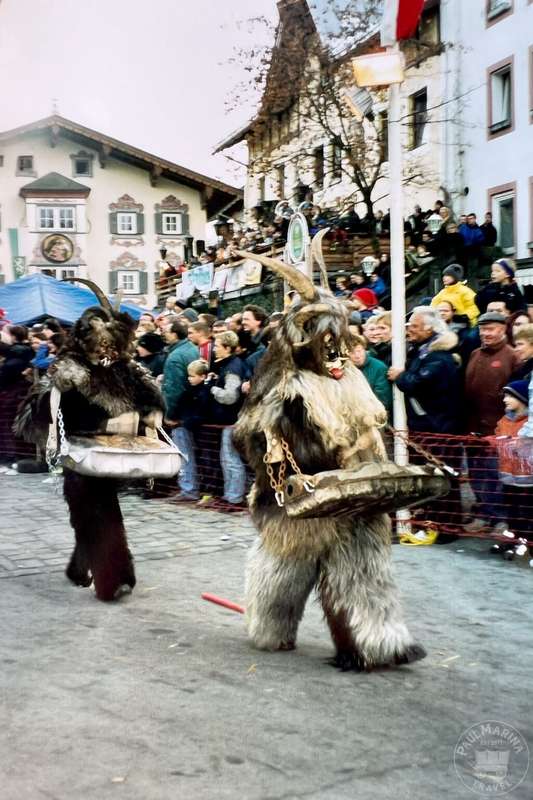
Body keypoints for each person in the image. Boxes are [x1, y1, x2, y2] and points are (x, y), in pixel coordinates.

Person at [463, 311, 520, 534]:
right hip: (473, 428)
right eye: (482, 329)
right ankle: (484, 515)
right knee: (477, 474)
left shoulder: (511, 356)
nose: (486, 333)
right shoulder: (475, 354)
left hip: (499, 428)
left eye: (491, 329)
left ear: (503, 329)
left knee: (496, 475)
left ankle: (500, 519)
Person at [388, 307, 461, 434]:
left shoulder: (438, 356)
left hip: (435, 426)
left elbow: (419, 383)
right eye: (409, 325)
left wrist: (400, 376)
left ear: (429, 329)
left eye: (414, 326)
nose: (409, 329)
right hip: (426, 422)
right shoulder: (420, 350)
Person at [161, 320, 199, 500]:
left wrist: (170, 414)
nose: (164, 333)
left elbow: (174, 389)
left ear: (175, 334)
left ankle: (188, 489)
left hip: (182, 412)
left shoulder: (175, 356)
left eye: (167, 331)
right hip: (194, 407)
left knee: (183, 450)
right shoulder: (192, 348)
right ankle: (190, 488)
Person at [208, 331, 247, 505]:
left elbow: (231, 396)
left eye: (217, 346)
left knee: (231, 459)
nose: (214, 349)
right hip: (227, 420)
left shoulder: (233, 367)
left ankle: (234, 497)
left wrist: (213, 389)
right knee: (227, 459)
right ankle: (230, 494)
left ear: (227, 348)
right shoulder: (228, 365)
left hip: (232, 421)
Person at [492, 381, 533, 543]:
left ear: (522, 399)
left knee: (527, 511)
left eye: (510, 396)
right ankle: (513, 538)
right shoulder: (504, 420)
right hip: (508, 478)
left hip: (527, 480)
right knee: (511, 509)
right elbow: (497, 437)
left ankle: (527, 541)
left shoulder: (528, 426)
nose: (505, 399)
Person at [349, 334, 392, 418]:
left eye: (359, 351)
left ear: (364, 350)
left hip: (374, 415)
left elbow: (383, 398)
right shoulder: (343, 369)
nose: (357, 356)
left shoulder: (379, 367)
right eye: (352, 352)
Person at [0, 325, 33, 389]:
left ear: (13, 337)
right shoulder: (28, 348)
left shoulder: (12, 350)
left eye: (7, 334)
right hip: (18, 384)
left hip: (10, 386)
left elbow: (7, 373)